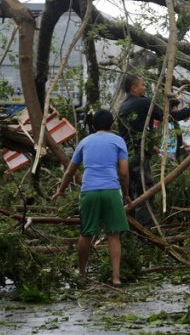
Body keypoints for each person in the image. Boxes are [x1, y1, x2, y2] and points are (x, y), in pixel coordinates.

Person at [51, 109, 130, 285]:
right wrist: (126, 194)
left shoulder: (84, 142)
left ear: (93, 126)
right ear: (112, 125)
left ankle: (82, 275)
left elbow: (70, 171)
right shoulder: (118, 141)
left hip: (89, 191)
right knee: (113, 235)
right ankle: (116, 277)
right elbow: (124, 173)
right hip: (111, 190)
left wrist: (61, 190)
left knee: (86, 234)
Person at [117, 74, 190, 226]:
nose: (145, 87)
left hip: (124, 158)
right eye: (142, 85)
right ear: (134, 88)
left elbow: (133, 133)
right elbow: (169, 116)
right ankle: (146, 233)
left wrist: (151, 146)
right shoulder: (143, 103)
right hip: (139, 157)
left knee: (129, 195)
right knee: (145, 192)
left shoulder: (122, 107)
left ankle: (128, 230)